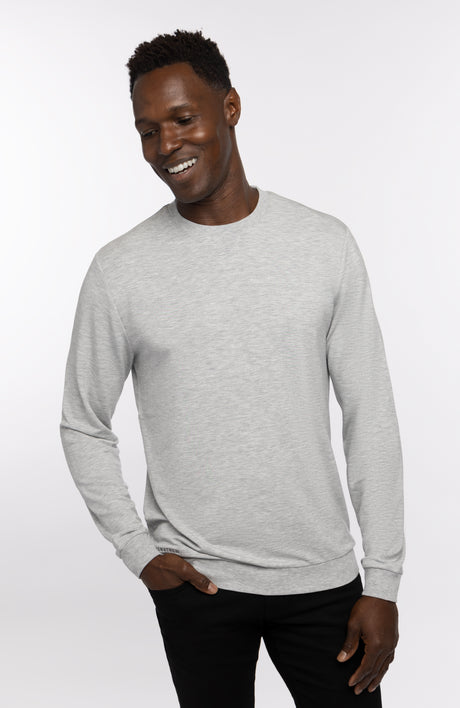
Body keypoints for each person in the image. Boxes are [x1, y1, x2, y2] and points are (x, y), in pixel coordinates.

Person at [59, 29, 405, 708]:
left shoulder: (323, 245)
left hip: (320, 580)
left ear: (231, 108)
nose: (167, 146)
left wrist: (384, 582)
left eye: (182, 119)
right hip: (198, 586)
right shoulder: (120, 270)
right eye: (148, 131)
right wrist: (137, 551)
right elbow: (83, 423)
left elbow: (371, 417)